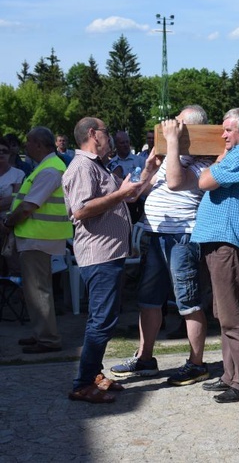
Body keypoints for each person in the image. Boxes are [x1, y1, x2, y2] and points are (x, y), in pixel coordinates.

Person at [109, 105, 214, 386]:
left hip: (182, 238)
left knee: (188, 303)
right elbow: (134, 196)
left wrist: (172, 144)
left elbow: (178, 182)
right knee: (148, 301)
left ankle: (196, 363)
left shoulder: (204, 161)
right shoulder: (169, 158)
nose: (170, 127)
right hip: (155, 236)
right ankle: (145, 359)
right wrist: (147, 169)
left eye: (177, 124)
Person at [192, 108, 239, 403]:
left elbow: (205, 181)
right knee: (224, 312)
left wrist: (220, 159)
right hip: (222, 241)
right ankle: (230, 374)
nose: (222, 135)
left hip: (230, 243)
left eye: (227, 130)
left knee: (233, 314)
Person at [62, 117, 141, 403]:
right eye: (106, 132)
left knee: (105, 317)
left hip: (109, 252)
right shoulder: (83, 166)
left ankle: (93, 373)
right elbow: (81, 210)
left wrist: (153, 167)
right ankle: (83, 383)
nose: (108, 137)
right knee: (101, 321)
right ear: (93, 134)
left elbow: (125, 197)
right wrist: (120, 193)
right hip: (99, 255)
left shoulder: (97, 165)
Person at [3, 127, 72, 354]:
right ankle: (41, 333)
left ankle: (48, 339)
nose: (26, 146)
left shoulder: (50, 170)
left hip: (39, 237)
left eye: (29, 142)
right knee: (35, 290)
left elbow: (28, 206)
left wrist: (8, 222)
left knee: (38, 289)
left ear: (41, 145)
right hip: (37, 236)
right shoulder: (47, 167)